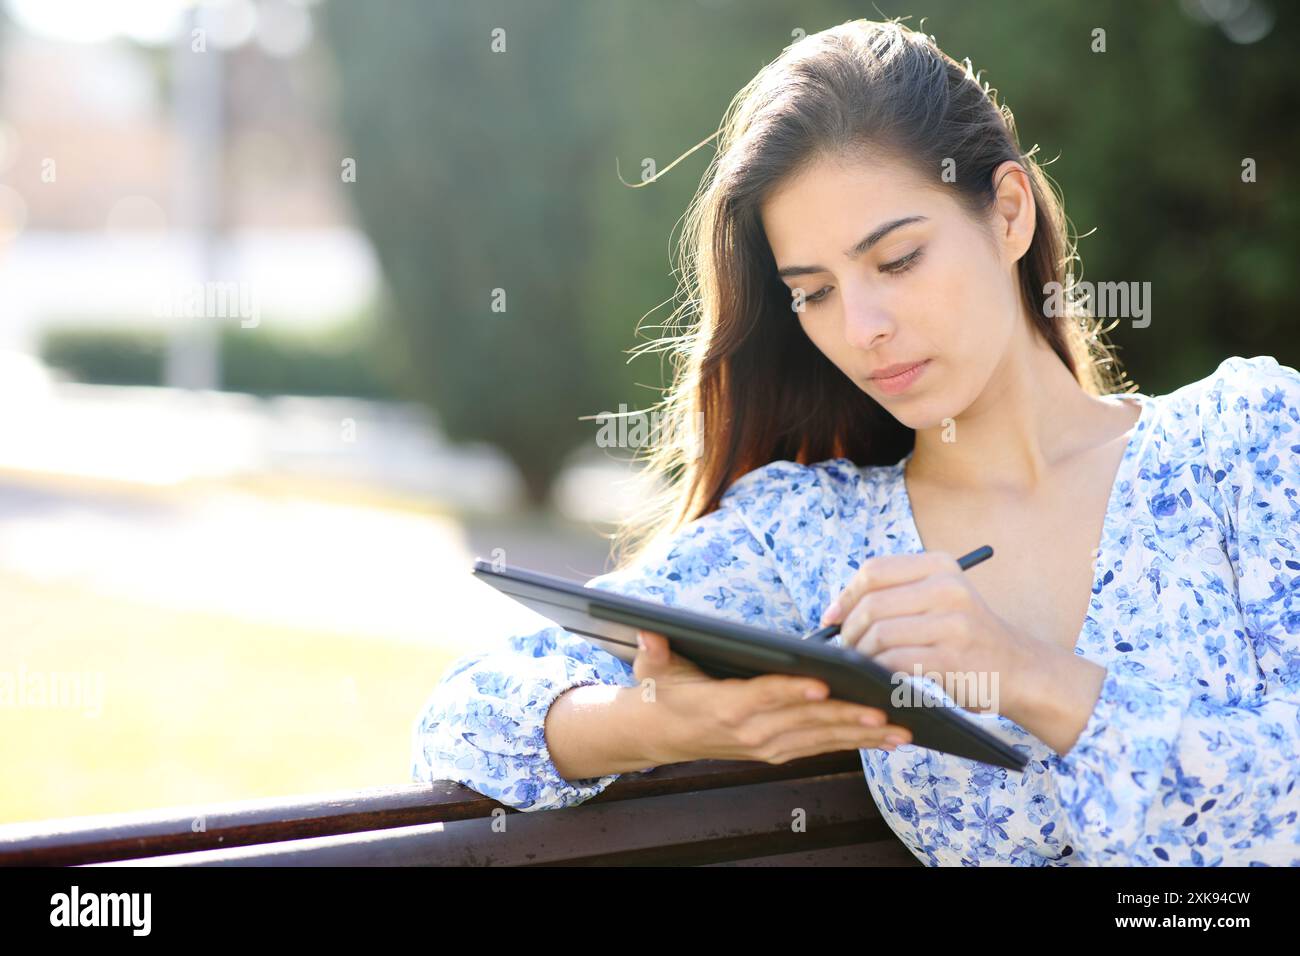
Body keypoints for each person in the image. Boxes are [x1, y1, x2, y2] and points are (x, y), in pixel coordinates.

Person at [411, 18, 1300, 866]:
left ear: (1009, 214)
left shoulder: (1244, 446)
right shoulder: (811, 533)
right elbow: (464, 717)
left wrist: (1022, 674)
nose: (862, 327)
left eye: (897, 260)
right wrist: (664, 723)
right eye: (815, 291)